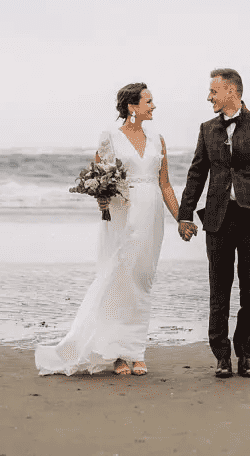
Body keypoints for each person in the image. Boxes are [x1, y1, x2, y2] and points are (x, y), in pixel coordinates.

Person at [35, 83, 181, 376]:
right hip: (122, 215)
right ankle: (116, 354)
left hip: (151, 215)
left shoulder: (158, 139)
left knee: (142, 280)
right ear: (132, 107)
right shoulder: (111, 137)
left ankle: (136, 351)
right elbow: (97, 178)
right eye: (149, 101)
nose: (153, 106)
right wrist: (101, 198)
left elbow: (164, 184)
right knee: (118, 279)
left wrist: (182, 219)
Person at [177, 68, 250, 379]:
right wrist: (185, 214)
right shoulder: (207, 129)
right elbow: (197, 173)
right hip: (218, 218)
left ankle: (245, 355)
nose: (208, 97)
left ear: (231, 92)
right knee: (218, 288)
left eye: (213, 91)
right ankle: (221, 357)